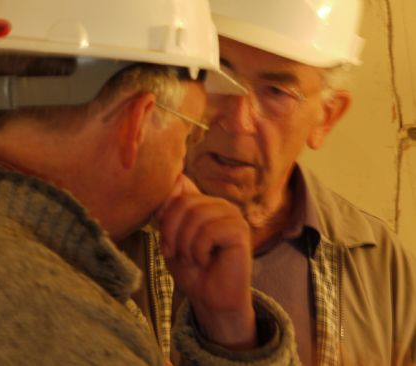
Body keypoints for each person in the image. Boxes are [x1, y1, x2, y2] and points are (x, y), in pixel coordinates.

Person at [0, 0, 301, 365]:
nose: (181, 175)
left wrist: (227, 325)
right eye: (188, 135)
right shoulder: (59, 319)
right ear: (138, 123)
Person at [123, 0, 416, 365]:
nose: (237, 120)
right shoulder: (110, 230)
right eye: (216, 76)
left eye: (276, 93)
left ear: (327, 116)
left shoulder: (376, 261)